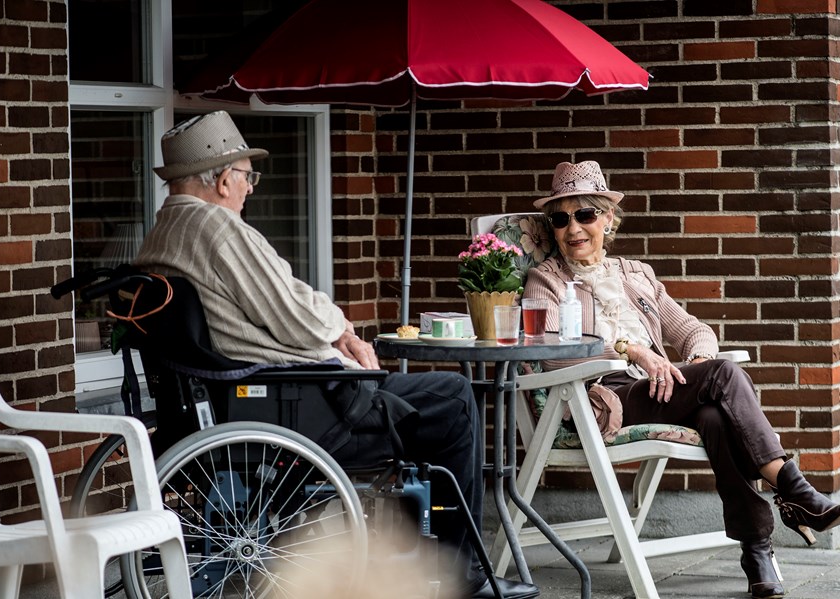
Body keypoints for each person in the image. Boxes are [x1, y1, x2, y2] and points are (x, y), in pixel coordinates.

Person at [134, 111, 538, 599]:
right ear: (223, 179)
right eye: (246, 176)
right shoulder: (219, 231)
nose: (250, 189)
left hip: (221, 404)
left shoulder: (159, 237)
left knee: (425, 400)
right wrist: (343, 328)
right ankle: (460, 576)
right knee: (451, 397)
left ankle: (410, 560)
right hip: (291, 406)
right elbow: (292, 314)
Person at [522, 160, 840, 599]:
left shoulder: (637, 276)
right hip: (606, 398)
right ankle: (793, 492)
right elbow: (548, 353)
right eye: (561, 218)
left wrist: (693, 363)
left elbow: (694, 330)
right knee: (723, 376)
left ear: (608, 218)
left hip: (662, 388)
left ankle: (756, 548)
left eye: (585, 214)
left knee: (717, 415)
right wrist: (632, 350)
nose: (573, 229)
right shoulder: (545, 280)